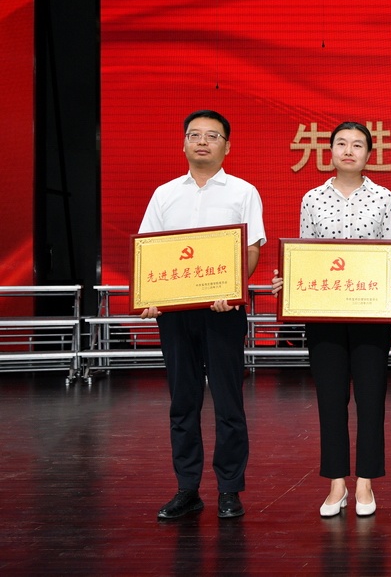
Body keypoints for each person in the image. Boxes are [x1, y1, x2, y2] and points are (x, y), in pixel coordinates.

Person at [270, 122, 391, 518]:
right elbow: (305, 253)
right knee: (330, 399)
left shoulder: (384, 197)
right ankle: (335, 483)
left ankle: (365, 482)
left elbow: (390, 252)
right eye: (342, 143)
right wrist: (289, 279)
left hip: (369, 312)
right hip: (324, 312)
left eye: (358, 145)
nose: (349, 150)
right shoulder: (312, 198)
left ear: (369, 154)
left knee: (370, 398)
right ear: (329, 151)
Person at [139, 110, 266, 520]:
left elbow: (251, 249)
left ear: (227, 146)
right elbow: (149, 251)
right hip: (175, 314)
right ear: (183, 144)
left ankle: (230, 489)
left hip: (222, 311)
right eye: (194, 135)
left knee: (229, 402)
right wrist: (151, 296)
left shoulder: (243, 191)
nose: (202, 142)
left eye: (212, 136)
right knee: (183, 402)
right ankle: (187, 488)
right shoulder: (164, 194)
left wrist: (233, 290)